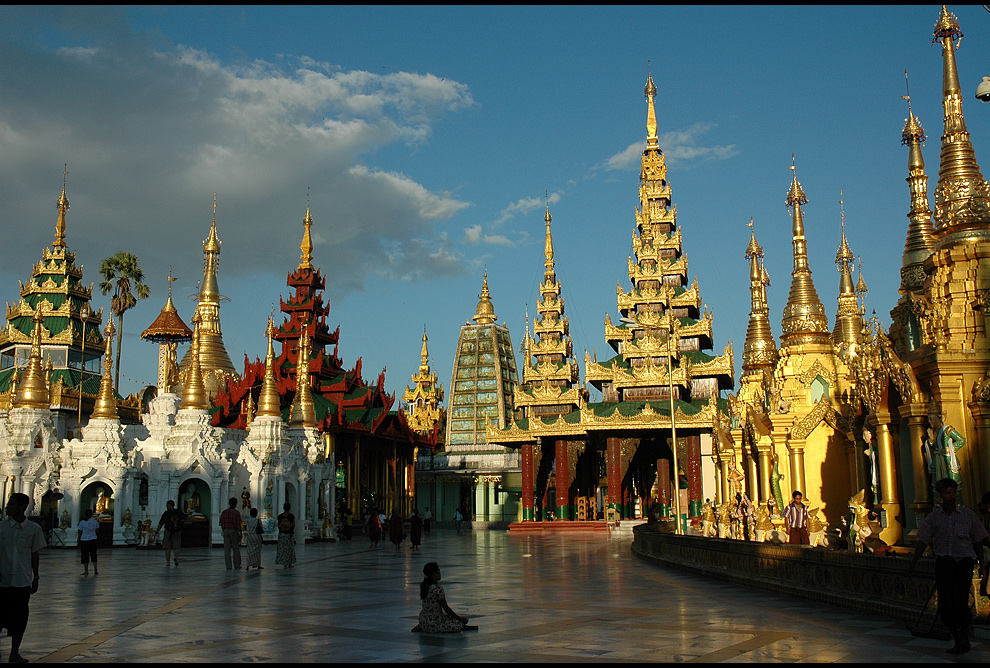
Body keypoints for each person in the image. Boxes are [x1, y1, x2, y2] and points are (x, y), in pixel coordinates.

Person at [909, 478, 989, 655]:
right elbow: (923, 540)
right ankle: (956, 637)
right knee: (945, 605)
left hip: (964, 563)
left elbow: (977, 540)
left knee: (960, 602)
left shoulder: (968, 516)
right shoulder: (934, 518)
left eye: (953, 492)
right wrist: (914, 562)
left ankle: (963, 636)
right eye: (947, 493)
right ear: (940, 495)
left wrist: (982, 565)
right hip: (945, 563)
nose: (951, 496)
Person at [0, 493, 46, 663]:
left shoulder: (33, 529)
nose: (8, 507)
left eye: (12, 504)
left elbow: (35, 554)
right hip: (2, 580)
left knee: (19, 618)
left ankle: (14, 653)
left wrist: (36, 577)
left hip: (21, 580)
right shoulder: (1, 527)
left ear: (22, 507)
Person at [412, 562, 477, 633]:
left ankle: (422, 627)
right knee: (457, 623)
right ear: (434, 573)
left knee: (449, 619)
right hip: (434, 623)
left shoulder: (424, 586)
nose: (440, 573)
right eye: (438, 571)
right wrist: (461, 619)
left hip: (424, 621)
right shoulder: (437, 588)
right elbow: (446, 608)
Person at [156, 500, 186, 566]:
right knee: (176, 547)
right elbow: (185, 518)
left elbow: (161, 523)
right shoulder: (178, 512)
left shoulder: (166, 513)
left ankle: (168, 562)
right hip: (176, 531)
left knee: (167, 547)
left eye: (167, 504)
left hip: (168, 531)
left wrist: (157, 531)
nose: (166, 506)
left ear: (169, 505)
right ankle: (175, 558)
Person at [219, 497, 243, 570]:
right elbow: (238, 524)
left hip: (226, 530)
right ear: (235, 504)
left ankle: (228, 566)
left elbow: (221, 522)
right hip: (233, 530)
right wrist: (240, 533)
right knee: (236, 548)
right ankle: (237, 565)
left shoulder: (224, 512)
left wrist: (224, 530)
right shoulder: (236, 513)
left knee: (227, 549)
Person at [77, 508, 100, 576]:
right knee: (93, 554)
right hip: (93, 539)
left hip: (84, 540)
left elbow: (79, 531)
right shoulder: (95, 522)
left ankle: (86, 571)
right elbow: (97, 530)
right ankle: (95, 569)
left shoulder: (82, 522)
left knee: (85, 555)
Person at [275, 502, 296, 569]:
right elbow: (293, 525)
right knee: (289, 549)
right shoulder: (291, 516)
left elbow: (278, 526)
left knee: (283, 549)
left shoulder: (280, 516)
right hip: (289, 534)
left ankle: (284, 564)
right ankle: (289, 563)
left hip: (282, 534)